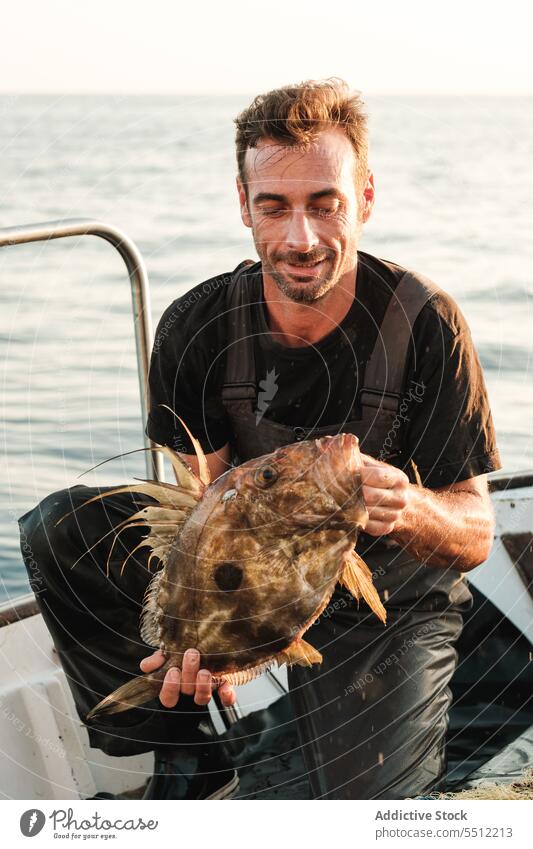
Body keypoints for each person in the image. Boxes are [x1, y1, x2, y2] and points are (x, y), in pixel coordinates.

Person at [19, 78, 501, 800]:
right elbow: (199, 508)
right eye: (274, 206)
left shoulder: (423, 321)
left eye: (324, 204)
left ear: (364, 198)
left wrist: (407, 507)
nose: (300, 238)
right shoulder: (197, 325)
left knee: (358, 823)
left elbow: (475, 533)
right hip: (259, 578)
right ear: (243, 204)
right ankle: (182, 739)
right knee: (65, 528)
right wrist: (210, 648)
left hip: (388, 605)